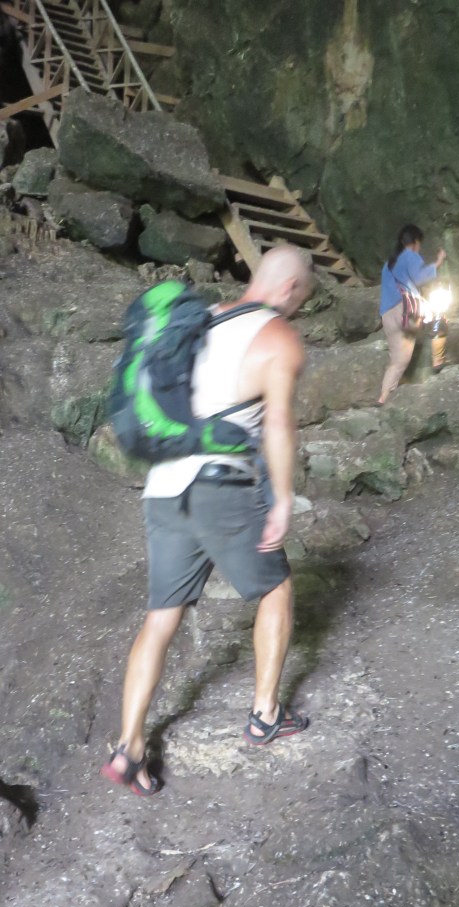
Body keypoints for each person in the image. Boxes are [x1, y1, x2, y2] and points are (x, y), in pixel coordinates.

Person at [101, 244, 315, 796]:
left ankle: (128, 746)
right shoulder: (278, 337)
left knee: (161, 618)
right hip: (219, 487)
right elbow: (278, 424)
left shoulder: (198, 320)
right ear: (290, 288)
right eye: (303, 296)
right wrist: (282, 498)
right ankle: (265, 714)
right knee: (276, 589)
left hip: (163, 487)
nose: (300, 304)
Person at [376, 224, 446, 405]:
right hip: (406, 310)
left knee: (398, 362)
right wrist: (438, 263)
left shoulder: (388, 263)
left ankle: (383, 399)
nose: (419, 247)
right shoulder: (410, 255)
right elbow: (420, 278)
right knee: (439, 316)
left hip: (387, 316)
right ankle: (438, 360)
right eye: (419, 243)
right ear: (415, 242)